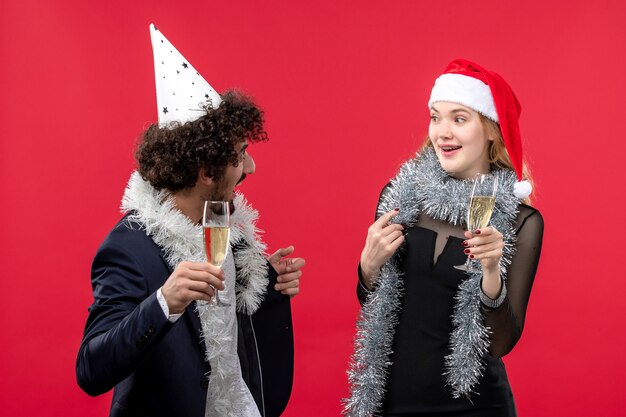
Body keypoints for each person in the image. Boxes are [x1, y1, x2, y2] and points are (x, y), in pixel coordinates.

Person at [76, 25, 304, 417]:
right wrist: (165, 301)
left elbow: (232, 331)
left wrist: (268, 283)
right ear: (205, 171)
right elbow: (91, 370)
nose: (251, 165)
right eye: (240, 154)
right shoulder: (129, 248)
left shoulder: (228, 229)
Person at [343, 59, 544, 416]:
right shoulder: (400, 198)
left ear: (492, 131)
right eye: (435, 117)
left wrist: (491, 272)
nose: (442, 132)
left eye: (459, 118)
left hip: (477, 407)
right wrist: (367, 267)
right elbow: (376, 309)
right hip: (392, 400)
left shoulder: (520, 221)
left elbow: (499, 343)